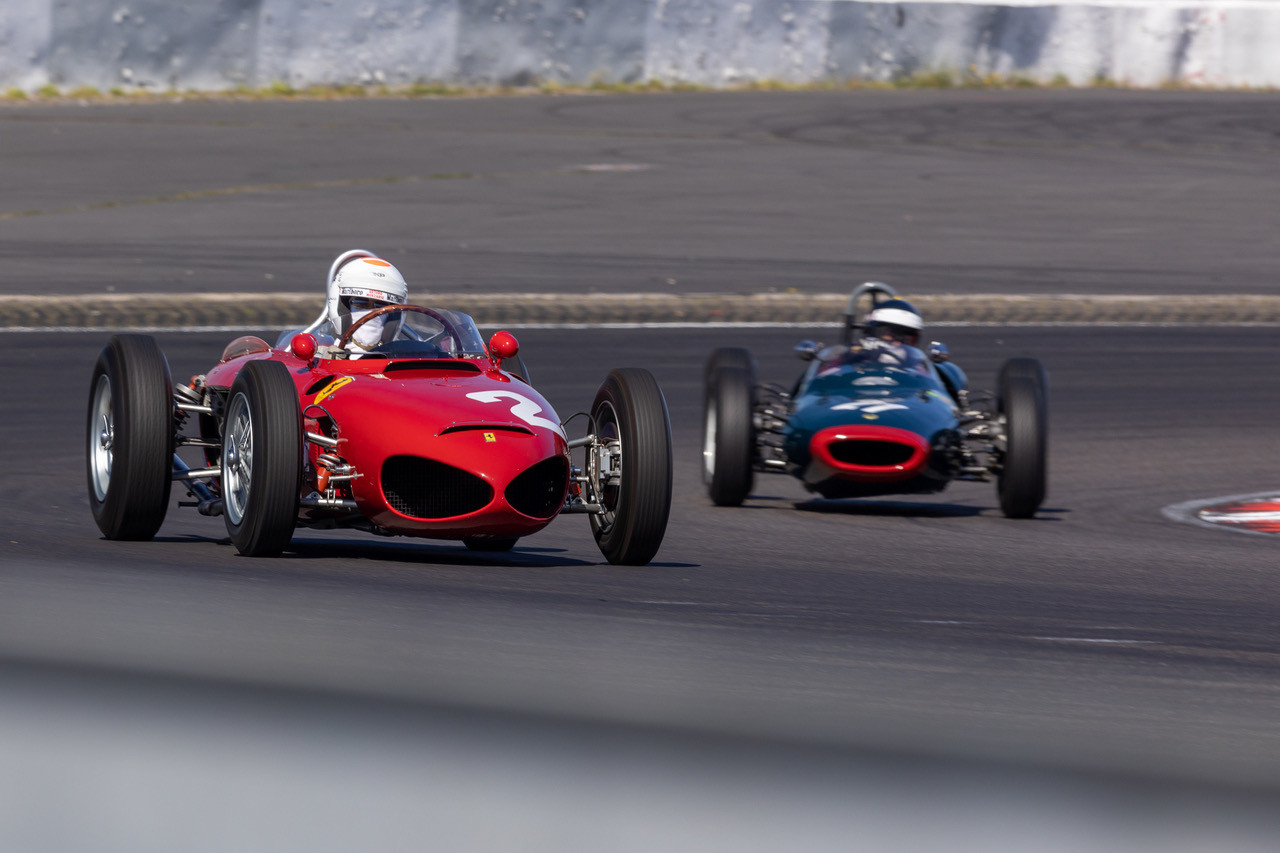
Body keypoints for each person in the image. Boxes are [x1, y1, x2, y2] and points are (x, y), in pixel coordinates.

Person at [291, 250, 409, 353]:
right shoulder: (319, 355)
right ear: (342, 307)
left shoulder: (407, 358)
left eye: (381, 305)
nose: (371, 311)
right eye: (361, 303)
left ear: (395, 316)